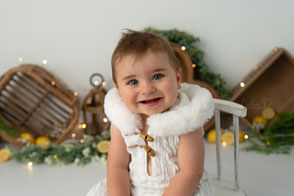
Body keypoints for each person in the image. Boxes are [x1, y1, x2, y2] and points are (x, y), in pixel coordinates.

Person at [87, 30, 215, 196]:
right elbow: (117, 167)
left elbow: (191, 173)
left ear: (177, 79)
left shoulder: (185, 121)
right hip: (134, 188)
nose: (147, 89)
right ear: (118, 90)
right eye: (133, 82)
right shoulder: (123, 121)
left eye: (157, 76)